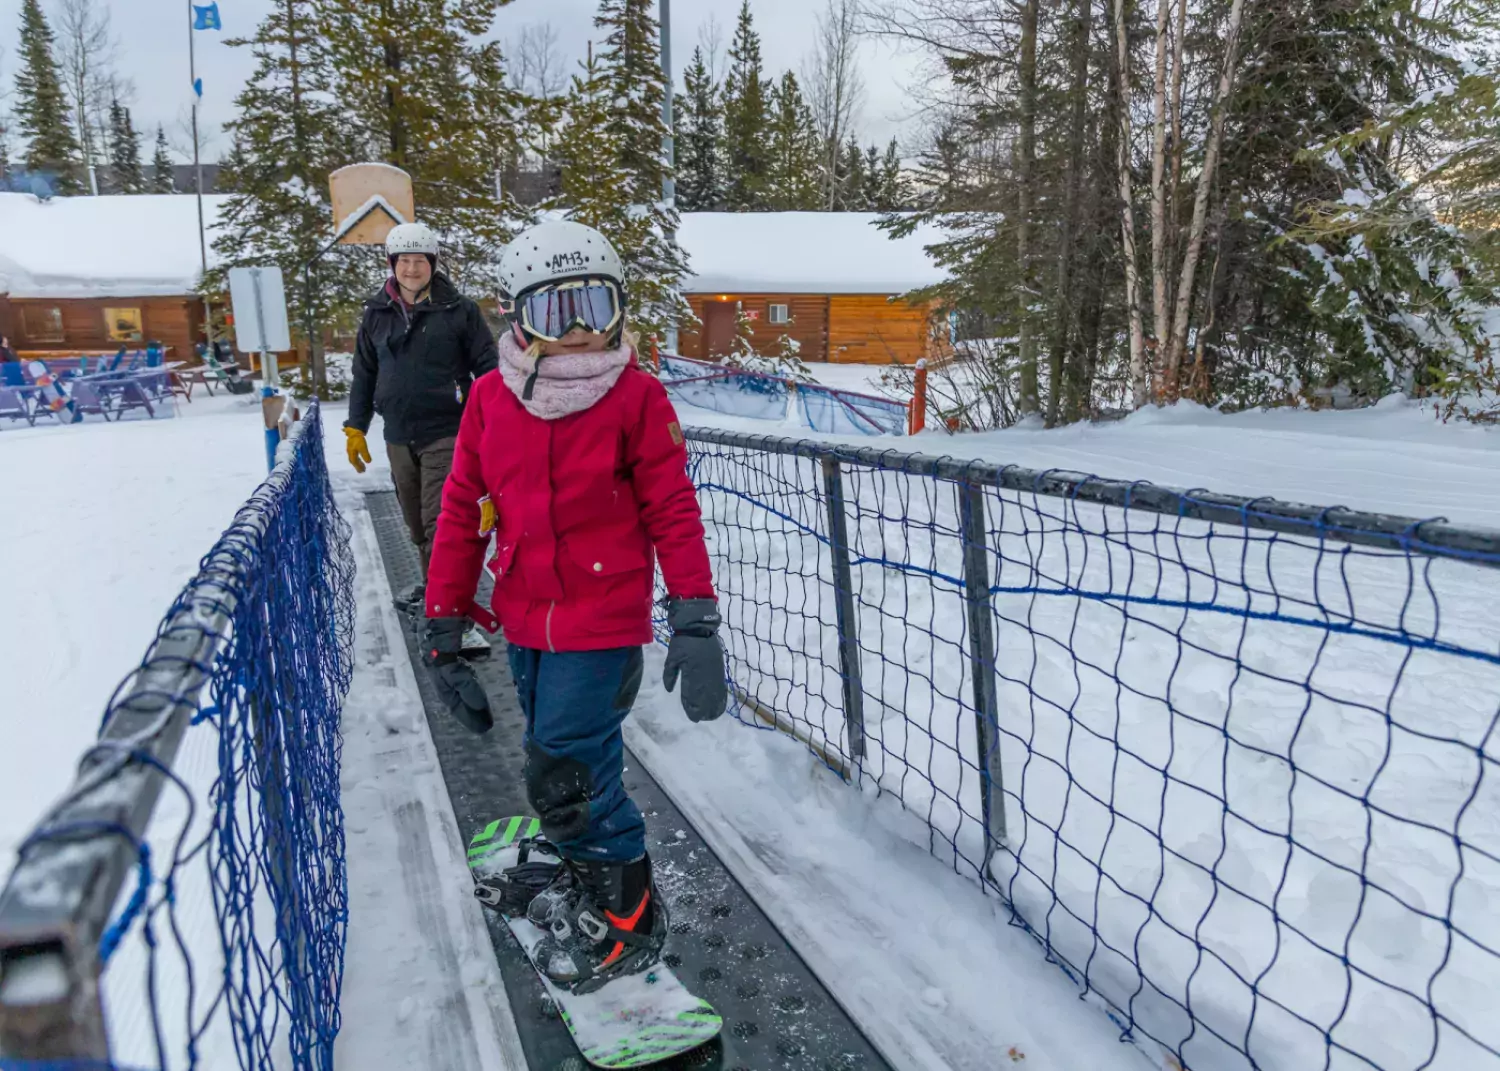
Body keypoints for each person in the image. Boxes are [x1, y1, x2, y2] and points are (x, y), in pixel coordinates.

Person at [418, 219, 729, 993]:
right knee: (558, 753)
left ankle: (626, 917)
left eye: (595, 305)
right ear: (518, 315)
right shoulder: (490, 399)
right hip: (526, 617)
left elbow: (672, 508)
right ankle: (582, 866)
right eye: (557, 311)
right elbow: (461, 509)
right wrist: (444, 621)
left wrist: (694, 614)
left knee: (565, 769)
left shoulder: (635, 397)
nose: (581, 328)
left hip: (601, 622)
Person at [343, 222, 499, 623]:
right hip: (398, 434)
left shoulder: (460, 311)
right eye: (404, 261)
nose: (411, 269)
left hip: (447, 431)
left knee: (439, 522)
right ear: (392, 264)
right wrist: (356, 426)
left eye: (420, 261)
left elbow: (488, 366)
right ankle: (436, 588)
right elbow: (364, 372)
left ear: (433, 263)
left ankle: (446, 612)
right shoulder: (376, 314)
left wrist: (496, 418)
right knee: (415, 523)